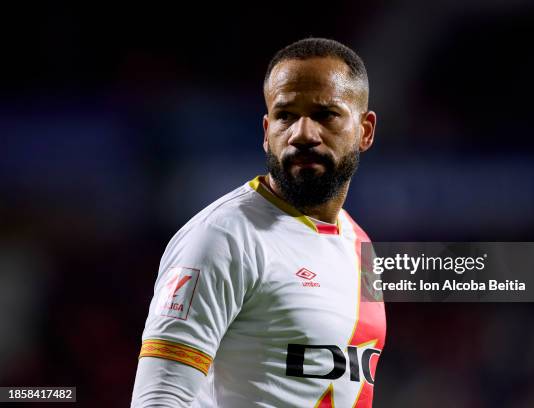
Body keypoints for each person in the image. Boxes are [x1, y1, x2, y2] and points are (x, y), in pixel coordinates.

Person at [131, 37, 386, 408]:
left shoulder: (360, 245)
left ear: (365, 131)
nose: (302, 134)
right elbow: (158, 399)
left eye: (325, 115)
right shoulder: (222, 237)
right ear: (267, 132)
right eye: (285, 116)